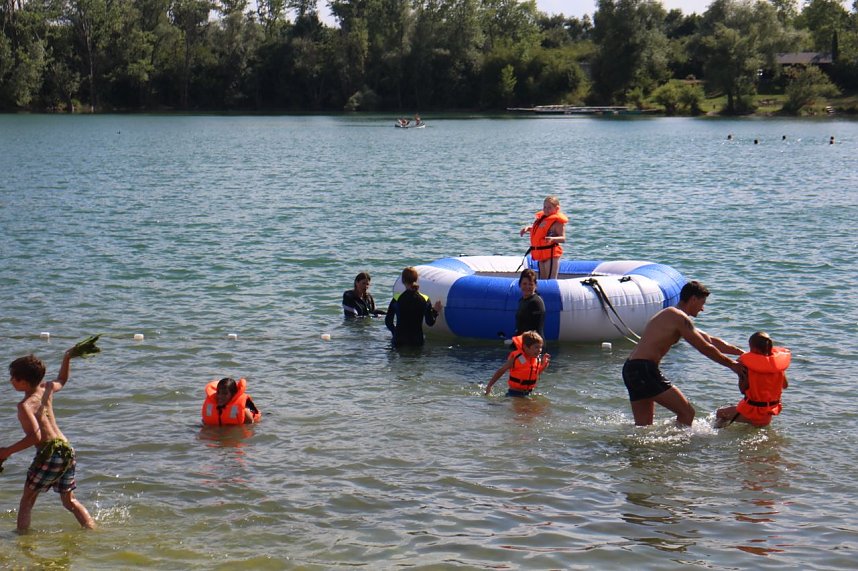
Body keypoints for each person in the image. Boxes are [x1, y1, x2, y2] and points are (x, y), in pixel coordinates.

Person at [621, 280, 746, 426]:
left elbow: (710, 340)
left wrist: (743, 354)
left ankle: (638, 449)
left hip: (632, 369)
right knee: (687, 413)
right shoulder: (678, 317)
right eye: (702, 303)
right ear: (693, 299)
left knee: (643, 427)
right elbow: (704, 347)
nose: (702, 309)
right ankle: (679, 448)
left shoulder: (674, 316)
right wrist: (732, 365)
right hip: (644, 369)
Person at [0, 350, 96, 532]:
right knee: (69, 501)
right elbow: (62, 379)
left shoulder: (25, 405)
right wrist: (66, 358)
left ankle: (23, 540)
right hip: (67, 450)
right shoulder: (46, 389)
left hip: (49, 454)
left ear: (24, 382)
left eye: (13, 377)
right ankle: (92, 529)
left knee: (27, 501)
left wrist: (7, 451)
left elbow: (36, 437)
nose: (11, 380)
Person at [715, 332, 790, 428]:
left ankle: (716, 437)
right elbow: (785, 385)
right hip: (769, 411)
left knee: (720, 413)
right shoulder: (777, 367)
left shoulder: (747, 366)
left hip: (753, 412)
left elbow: (742, 389)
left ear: (753, 348)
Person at [385, 266, 442, 347]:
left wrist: (395, 333)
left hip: (399, 341)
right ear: (416, 280)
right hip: (416, 342)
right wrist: (435, 311)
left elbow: (388, 321)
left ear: (403, 281)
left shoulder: (396, 298)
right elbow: (430, 322)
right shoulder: (425, 299)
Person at [485, 331, 550, 397]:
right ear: (525, 347)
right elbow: (501, 371)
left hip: (529, 393)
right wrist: (489, 385)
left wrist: (544, 366)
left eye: (540, 347)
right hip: (514, 393)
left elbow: (535, 373)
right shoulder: (517, 358)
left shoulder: (537, 359)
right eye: (536, 347)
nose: (539, 350)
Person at [520, 196, 568, 279]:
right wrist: (528, 228)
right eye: (544, 207)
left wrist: (552, 239)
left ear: (556, 208)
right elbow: (539, 231)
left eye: (549, 208)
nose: (546, 209)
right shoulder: (542, 219)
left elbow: (563, 238)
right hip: (541, 254)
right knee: (542, 279)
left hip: (551, 255)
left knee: (550, 280)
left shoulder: (558, 223)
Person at [515, 268, 545, 337]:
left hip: (534, 345)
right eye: (524, 284)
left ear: (535, 286)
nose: (527, 287)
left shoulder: (536, 302)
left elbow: (535, 330)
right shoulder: (521, 300)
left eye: (531, 284)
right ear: (520, 284)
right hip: (524, 342)